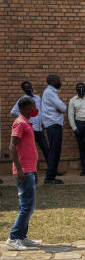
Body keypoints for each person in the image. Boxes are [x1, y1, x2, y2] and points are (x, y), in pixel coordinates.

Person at [7, 96, 43, 251]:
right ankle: (13, 238)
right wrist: (19, 168)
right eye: (31, 107)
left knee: (29, 206)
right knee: (26, 206)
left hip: (30, 169)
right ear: (23, 109)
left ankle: (22, 236)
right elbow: (12, 147)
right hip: (24, 171)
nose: (34, 109)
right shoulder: (20, 123)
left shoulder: (27, 122)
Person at [10, 81, 48, 166]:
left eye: (30, 87)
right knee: (30, 150)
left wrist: (43, 122)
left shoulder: (37, 98)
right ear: (23, 89)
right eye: (27, 88)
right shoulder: (22, 100)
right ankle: (31, 168)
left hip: (39, 129)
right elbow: (13, 112)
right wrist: (25, 117)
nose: (29, 89)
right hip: (30, 129)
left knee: (46, 149)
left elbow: (40, 111)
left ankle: (52, 170)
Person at [40, 74, 67, 184]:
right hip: (53, 125)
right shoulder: (50, 92)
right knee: (54, 151)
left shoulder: (49, 92)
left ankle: (52, 173)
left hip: (52, 124)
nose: (60, 82)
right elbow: (63, 107)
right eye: (58, 80)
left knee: (54, 150)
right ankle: (50, 177)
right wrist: (60, 109)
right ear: (53, 81)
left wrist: (59, 109)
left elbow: (60, 108)